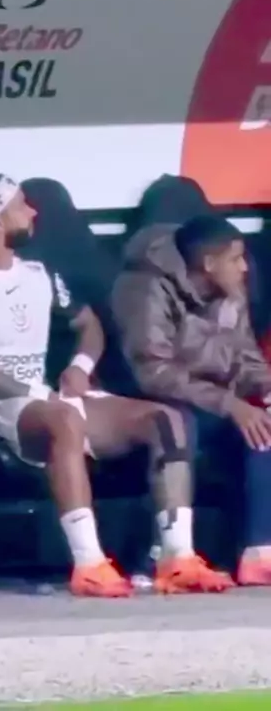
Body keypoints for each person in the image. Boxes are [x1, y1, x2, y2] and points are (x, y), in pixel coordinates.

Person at [0, 174, 233, 596]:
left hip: (48, 395)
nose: (32, 212)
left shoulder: (39, 273)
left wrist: (80, 366)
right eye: (21, 205)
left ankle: (177, 557)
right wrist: (37, 394)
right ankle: (89, 564)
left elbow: (89, 326)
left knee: (167, 420)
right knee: (63, 420)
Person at [112, 214, 271, 585]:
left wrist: (266, 388)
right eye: (236, 259)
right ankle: (161, 554)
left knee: (264, 428)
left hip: (214, 401)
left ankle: (259, 551)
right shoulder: (145, 286)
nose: (245, 268)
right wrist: (230, 405)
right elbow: (153, 372)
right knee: (180, 426)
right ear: (209, 263)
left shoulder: (232, 292)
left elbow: (247, 358)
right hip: (148, 401)